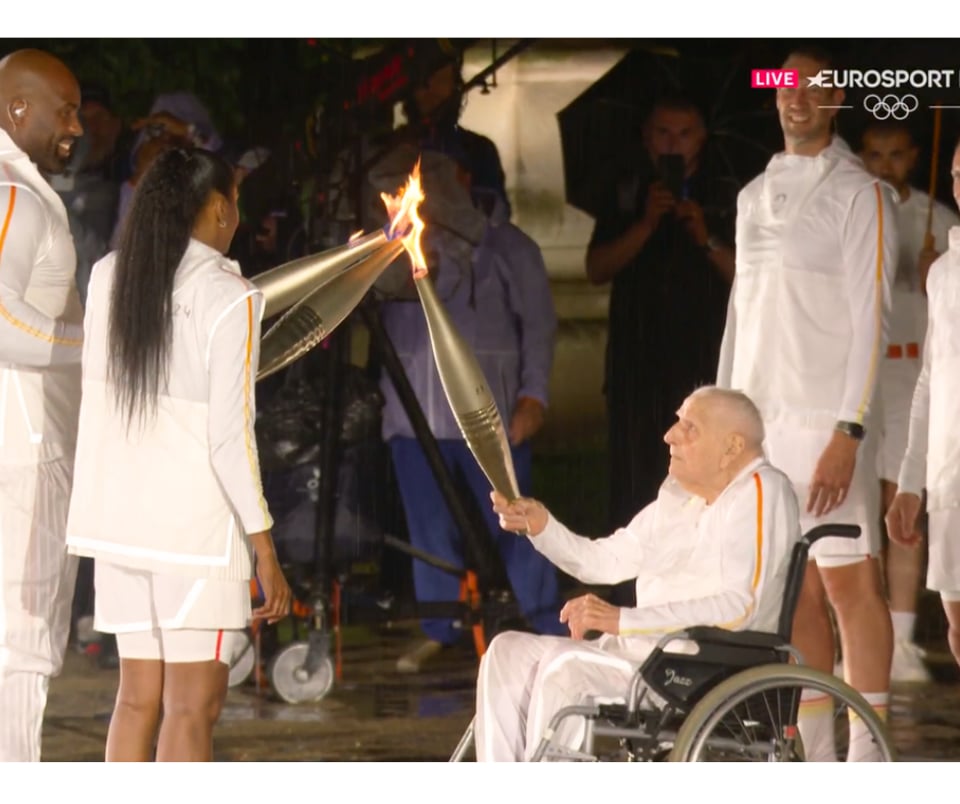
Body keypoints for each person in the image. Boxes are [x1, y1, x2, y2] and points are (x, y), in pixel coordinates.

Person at [64, 147, 292, 762]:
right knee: (193, 708)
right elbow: (228, 436)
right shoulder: (231, 295)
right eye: (236, 202)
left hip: (117, 525)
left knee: (137, 700)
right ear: (219, 207)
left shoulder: (110, 274)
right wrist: (263, 544)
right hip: (193, 535)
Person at [716, 46, 897, 761]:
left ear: (837, 99)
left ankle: (872, 746)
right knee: (794, 593)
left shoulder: (861, 194)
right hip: (761, 426)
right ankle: (817, 745)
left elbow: (871, 318)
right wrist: (718, 417)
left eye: (815, 88)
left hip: (826, 423)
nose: (799, 98)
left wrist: (848, 430)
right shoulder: (752, 195)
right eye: (788, 86)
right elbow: (739, 312)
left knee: (849, 582)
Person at [474, 386, 801, 761]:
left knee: (566, 669)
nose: (670, 435)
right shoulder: (680, 500)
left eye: (689, 427)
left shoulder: (761, 489)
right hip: (646, 657)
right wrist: (541, 527)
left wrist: (622, 620)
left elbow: (739, 607)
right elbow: (603, 561)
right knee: (506, 652)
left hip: (696, 668)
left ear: (731, 448)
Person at [372, 145, 564, 673]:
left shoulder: (509, 248)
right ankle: (445, 628)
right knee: (430, 528)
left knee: (516, 520)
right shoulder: (395, 243)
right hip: (413, 418)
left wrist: (534, 397)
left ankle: (539, 619)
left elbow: (540, 327)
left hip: (490, 416)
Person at [585, 96, 738, 569]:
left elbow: (748, 278)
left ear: (703, 139)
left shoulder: (727, 192)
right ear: (647, 138)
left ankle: (700, 572)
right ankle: (631, 584)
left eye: (685, 133)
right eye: (663, 133)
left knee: (704, 474)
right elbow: (596, 267)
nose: (673, 144)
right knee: (636, 478)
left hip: (704, 362)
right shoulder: (627, 189)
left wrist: (704, 234)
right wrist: (647, 223)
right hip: (638, 363)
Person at [0, 48, 84, 762]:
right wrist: (96, 345)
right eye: (66, 109)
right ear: (15, 109)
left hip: (25, 450)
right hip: (23, 460)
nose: (78, 127)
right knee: (21, 651)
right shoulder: (13, 194)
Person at [859, 119, 959, 683]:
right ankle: (876, 636)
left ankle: (898, 638)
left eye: (896, 154)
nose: (885, 164)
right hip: (876, 384)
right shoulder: (857, 209)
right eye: (875, 153)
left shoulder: (937, 230)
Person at [886, 136, 960, 676]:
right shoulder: (945, 273)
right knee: (958, 621)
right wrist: (911, 483)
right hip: (950, 474)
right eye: (959, 173)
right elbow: (931, 380)